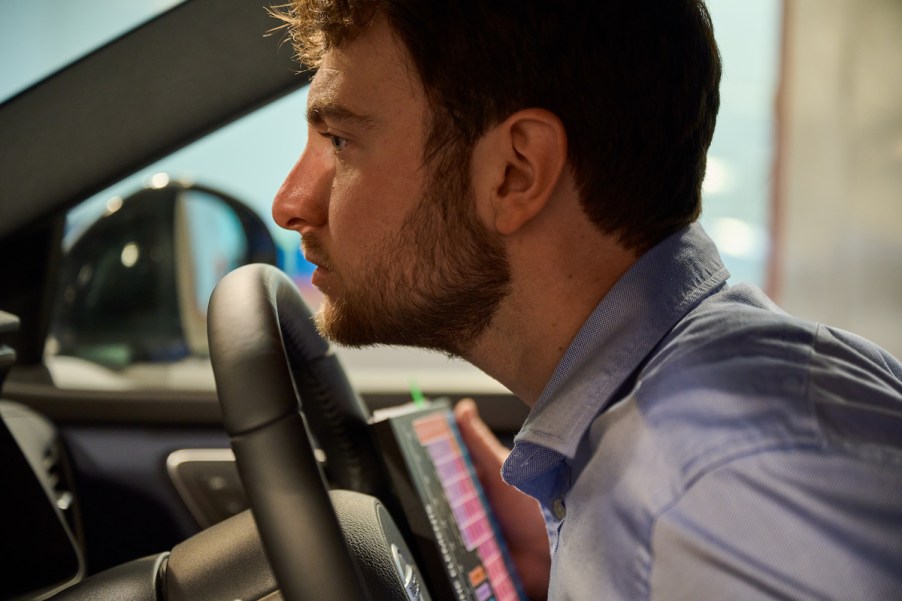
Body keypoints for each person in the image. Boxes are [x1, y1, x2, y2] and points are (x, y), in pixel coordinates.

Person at [270, 1, 902, 599]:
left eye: (340, 141)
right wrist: (575, 556)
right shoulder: (672, 452)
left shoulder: (721, 484)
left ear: (516, 172)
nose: (290, 202)